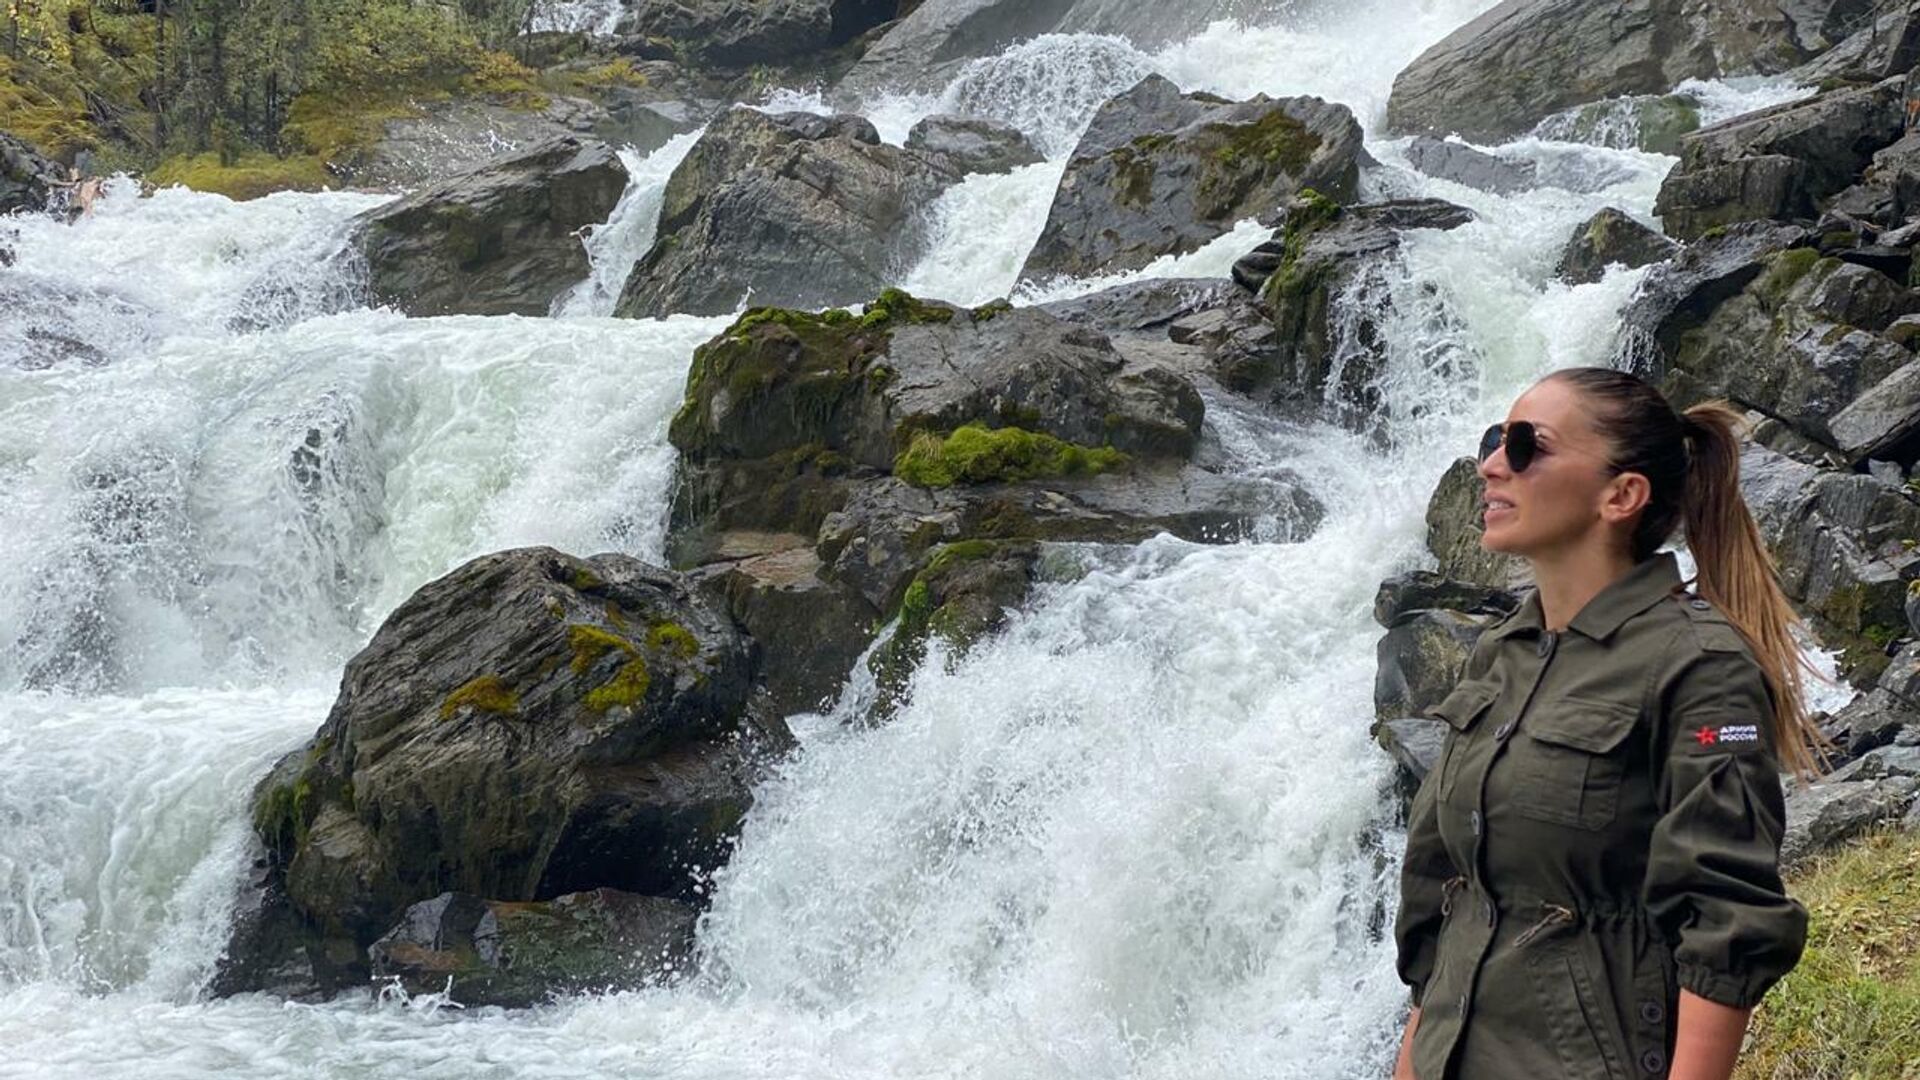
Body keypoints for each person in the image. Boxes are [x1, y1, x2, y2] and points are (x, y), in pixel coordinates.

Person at [1389, 367, 1820, 1080]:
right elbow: (1456, 899)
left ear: (1621, 496)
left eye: (1527, 445)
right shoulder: (1505, 651)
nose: (1492, 463)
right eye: (1495, 439)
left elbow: (1728, 920)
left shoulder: (1699, 665)